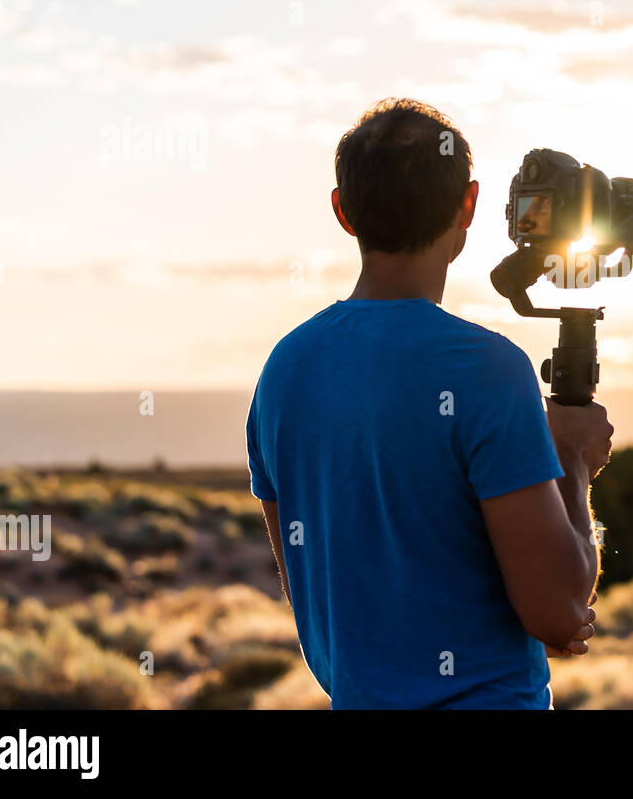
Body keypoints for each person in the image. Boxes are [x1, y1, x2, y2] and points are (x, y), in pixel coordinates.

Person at [246, 97, 612, 708]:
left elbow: (320, 586)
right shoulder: (486, 371)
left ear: (343, 211)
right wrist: (572, 458)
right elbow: (560, 612)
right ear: (468, 204)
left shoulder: (285, 371)